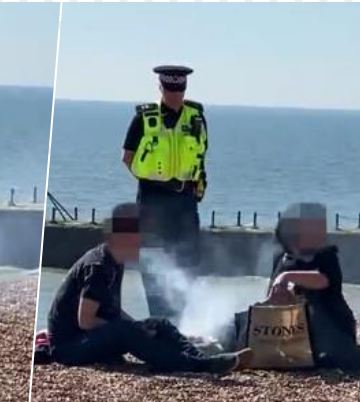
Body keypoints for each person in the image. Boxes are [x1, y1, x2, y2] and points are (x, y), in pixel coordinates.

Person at [46, 203, 252, 374]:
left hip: (87, 339)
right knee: (127, 331)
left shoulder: (115, 261)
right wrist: (132, 331)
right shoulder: (98, 267)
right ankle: (196, 366)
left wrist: (141, 328)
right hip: (70, 347)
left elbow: (111, 311)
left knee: (158, 324)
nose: (140, 244)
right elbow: (86, 321)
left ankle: (203, 358)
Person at [255, 202, 360, 373]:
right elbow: (272, 292)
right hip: (292, 327)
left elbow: (323, 280)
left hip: (332, 325)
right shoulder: (281, 257)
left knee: (335, 358)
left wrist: (286, 277)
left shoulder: (326, 255)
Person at [122, 65, 208, 320]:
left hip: (185, 201)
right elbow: (127, 158)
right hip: (153, 202)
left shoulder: (196, 117)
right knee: (154, 261)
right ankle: (160, 319)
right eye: (170, 89)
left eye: (179, 89)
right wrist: (153, 181)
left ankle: (185, 320)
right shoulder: (144, 118)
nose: (175, 94)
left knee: (188, 261)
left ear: (185, 88)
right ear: (160, 87)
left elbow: (201, 154)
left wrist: (198, 182)